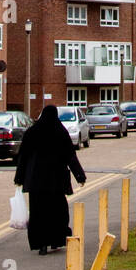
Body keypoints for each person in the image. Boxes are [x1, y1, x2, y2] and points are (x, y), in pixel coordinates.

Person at [14, 105, 87, 255]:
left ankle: (41, 245)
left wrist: (19, 178)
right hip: (56, 181)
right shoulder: (60, 132)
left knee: (38, 213)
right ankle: (56, 240)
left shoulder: (32, 132)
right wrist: (80, 176)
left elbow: (23, 157)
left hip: (35, 181)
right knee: (57, 212)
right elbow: (70, 156)